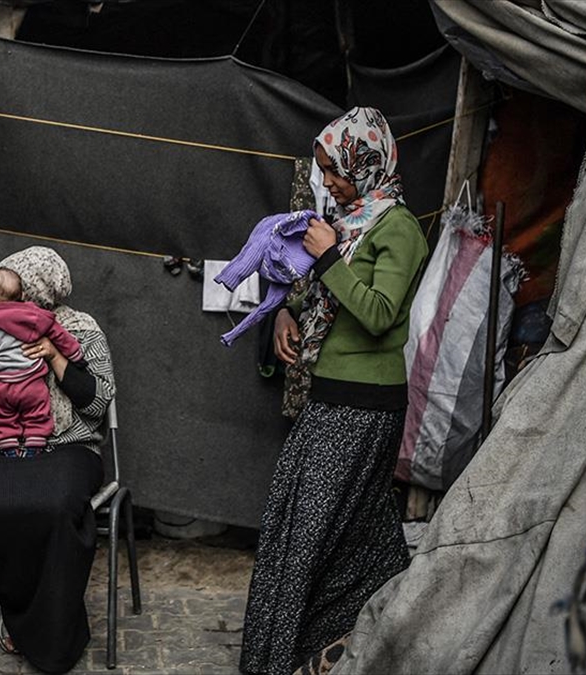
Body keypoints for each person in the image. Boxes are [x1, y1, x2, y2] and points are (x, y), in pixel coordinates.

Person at [239, 107, 429, 675]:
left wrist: (326, 257)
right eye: (323, 171)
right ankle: (366, 640)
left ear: (365, 164)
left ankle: (289, 655)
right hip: (329, 394)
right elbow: (321, 294)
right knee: (353, 531)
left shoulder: (398, 229)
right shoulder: (351, 222)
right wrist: (285, 315)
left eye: (336, 172)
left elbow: (376, 314)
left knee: (309, 533)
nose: (328, 183)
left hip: (363, 405)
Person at [0, 246, 115, 674]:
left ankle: (50, 635)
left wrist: (55, 357)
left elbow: (97, 402)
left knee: (54, 507)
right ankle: (15, 599)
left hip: (67, 446)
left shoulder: (82, 328)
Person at [0, 267, 84, 455]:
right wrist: (76, 355)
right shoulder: (34, 316)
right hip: (30, 383)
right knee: (37, 413)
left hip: (0, 386)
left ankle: (8, 446)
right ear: (23, 296)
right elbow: (60, 335)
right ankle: (34, 446)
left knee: (0, 416)